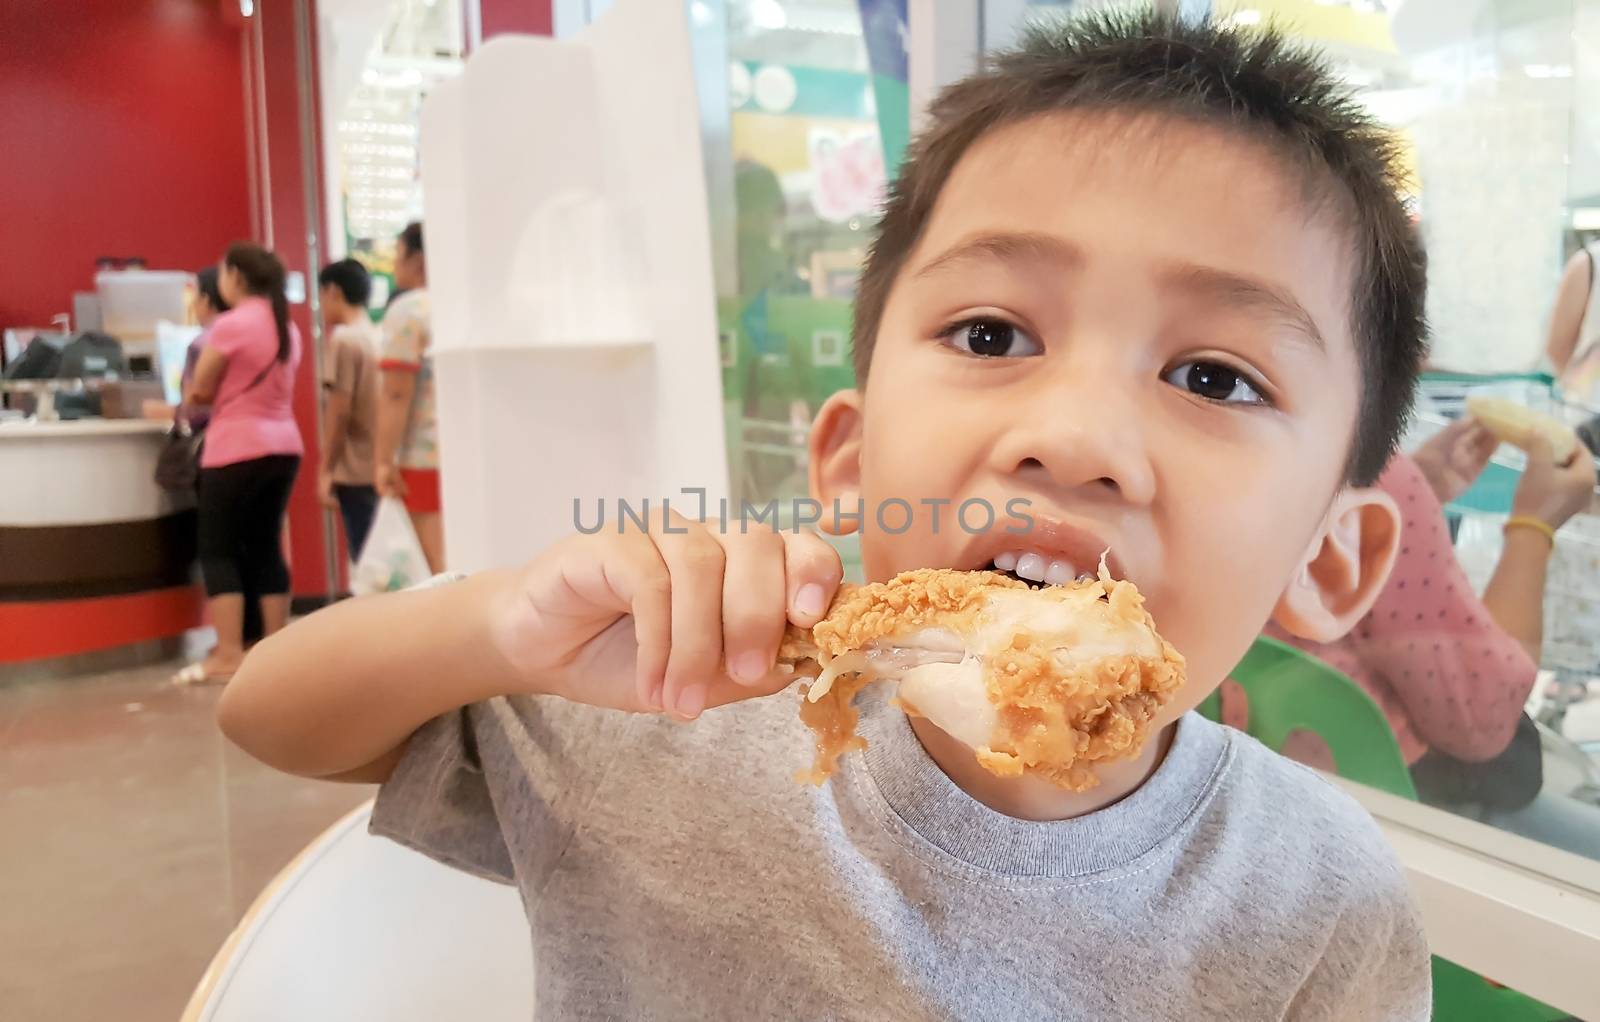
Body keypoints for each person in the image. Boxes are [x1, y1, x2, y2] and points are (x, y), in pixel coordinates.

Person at [219, 12, 1433, 1018]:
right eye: (992, 333)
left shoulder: (1319, 906)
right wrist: (497, 623)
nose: (1071, 435)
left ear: (1333, 556)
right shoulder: (675, 711)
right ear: (847, 459)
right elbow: (269, 716)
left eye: (1214, 377)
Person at [1250, 416, 1600, 854]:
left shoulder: (1226, 454)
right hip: (1395, 812)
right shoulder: (1376, 473)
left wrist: (1413, 496)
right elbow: (1487, 721)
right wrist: (1535, 525)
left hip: (1259, 780)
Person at [176, 243, 303, 685]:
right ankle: (273, 644)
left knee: (219, 548)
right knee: (267, 544)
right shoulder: (289, 327)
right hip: (284, 446)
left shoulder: (230, 326)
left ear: (235, 278)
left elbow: (199, 390)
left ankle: (229, 652)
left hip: (234, 448)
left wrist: (195, 393)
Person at [374, 221, 444, 572]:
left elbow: (396, 393)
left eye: (397, 255)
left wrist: (384, 460)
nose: (394, 265)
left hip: (422, 456)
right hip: (469, 453)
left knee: (439, 567)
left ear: (417, 260)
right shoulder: (458, 302)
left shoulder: (408, 310)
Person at [316, 258, 382, 563]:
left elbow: (339, 410)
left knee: (367, 561)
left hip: (355, 470)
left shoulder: (344, 340)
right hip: (381, 464)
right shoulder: (377, 334)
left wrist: (326, 469)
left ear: (333, 291)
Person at [179, 266, 230, 432]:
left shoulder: (200, 344)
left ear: (206, 300)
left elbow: (195, 405)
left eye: (195, 297)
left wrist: (168, 411)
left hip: (216, 439)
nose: (193, 304)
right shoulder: (255, 333)